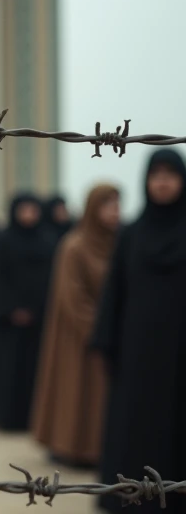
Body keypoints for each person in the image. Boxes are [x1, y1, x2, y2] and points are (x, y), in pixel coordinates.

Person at [92, 150, 186, 513]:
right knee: (134, 429)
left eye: (171, 175)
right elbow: (114, 292)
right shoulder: (131, 234)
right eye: (156, 174)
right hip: (136, 355)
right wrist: (106, 342)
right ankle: (131, 497)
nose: (163, 182)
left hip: (180, 356)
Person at [30, 184, 120, 468]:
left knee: (99, 396)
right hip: (79, 336)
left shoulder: (121, 243)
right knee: (75, 392)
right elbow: (72, 296)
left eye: (117, 205)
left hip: (109, 333)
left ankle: (96, 448)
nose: (114, 212)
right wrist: (100, 328)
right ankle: (70, 447)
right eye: (108, 205)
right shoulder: (74, 246)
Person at [0, 194, 56, 431]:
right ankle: (7, 417)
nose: (29, 215)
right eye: (24, 210)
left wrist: (36, 309)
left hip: (38, 319)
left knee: (34, 372)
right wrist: (11, 309)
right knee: (7, 371)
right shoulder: (2, 241)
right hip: (9, 321)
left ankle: (33, 419)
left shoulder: (47, 240)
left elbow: (51, 279)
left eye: (33, 209)